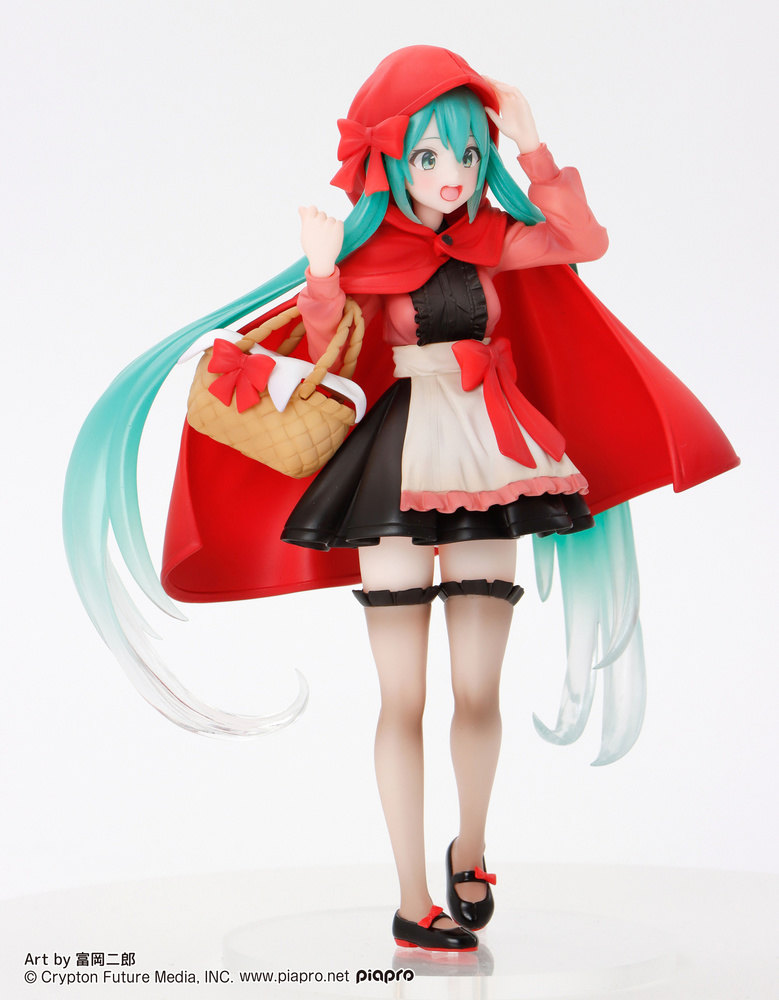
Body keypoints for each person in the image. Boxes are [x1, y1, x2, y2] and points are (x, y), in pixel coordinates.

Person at [63, 46, 739, 953]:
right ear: (390, 160)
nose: (451, 174)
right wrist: (320, 271)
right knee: (402, 698)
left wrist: (531, 143)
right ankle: (410, 896)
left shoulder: (493, 234)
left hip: (496, 458)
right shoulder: (368, 252)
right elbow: (327, 349)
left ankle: (472, 846)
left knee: (477, 688)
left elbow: (582, 242)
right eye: (427, 155)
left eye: (466, 153)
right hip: (400, 461)